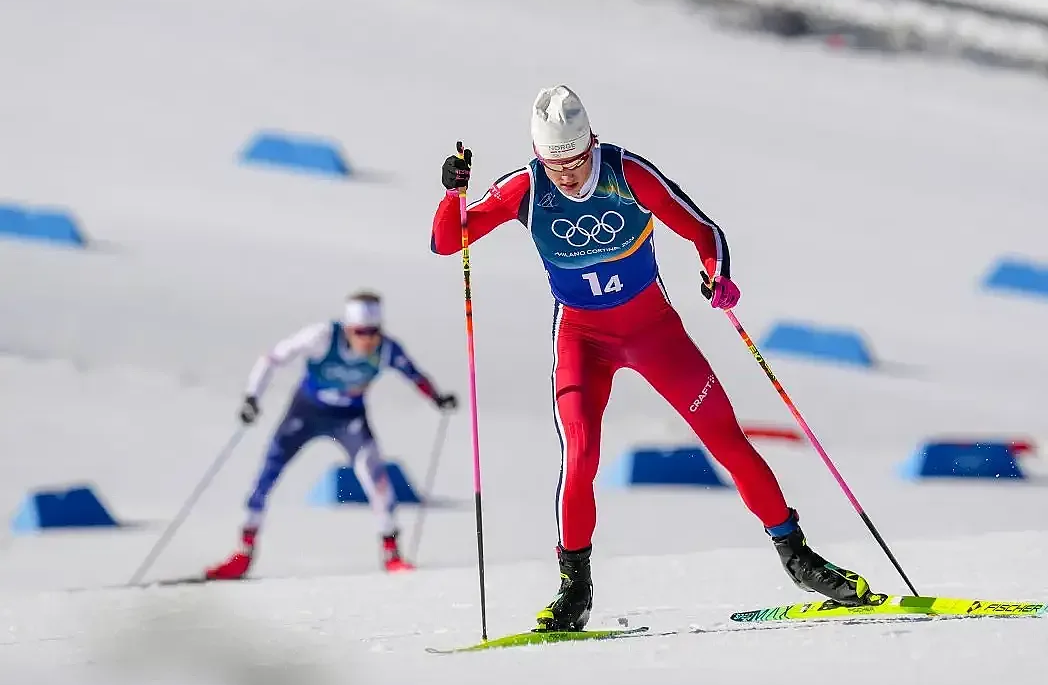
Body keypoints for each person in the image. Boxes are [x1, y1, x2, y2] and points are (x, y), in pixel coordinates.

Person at [430, 85, 875, 631]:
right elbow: (450, 241)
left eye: (575, 159)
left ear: (591, 142)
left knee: (725, 438)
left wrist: (717, 274)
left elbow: (703, 230)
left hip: (654, 332)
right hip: (582, 341)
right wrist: (452, 194)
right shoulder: (524, 189)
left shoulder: (628, 173)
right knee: (581, 457)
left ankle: (798, 557)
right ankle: (575, 588)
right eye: (555, 163)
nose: (567, 174)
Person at [205, 291, 458, 580]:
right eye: (361, 332)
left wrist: (438, 399)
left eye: (374, 332)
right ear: (349, 328)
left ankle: (392, 554)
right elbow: (273, 358)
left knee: (375, 476)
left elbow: (414, 375)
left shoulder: (386, 350)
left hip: (349, 418)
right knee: (266, 476)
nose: (368, 340)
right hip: (306, 412)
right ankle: (243, 554)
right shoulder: (322, 337)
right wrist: (252, 397)